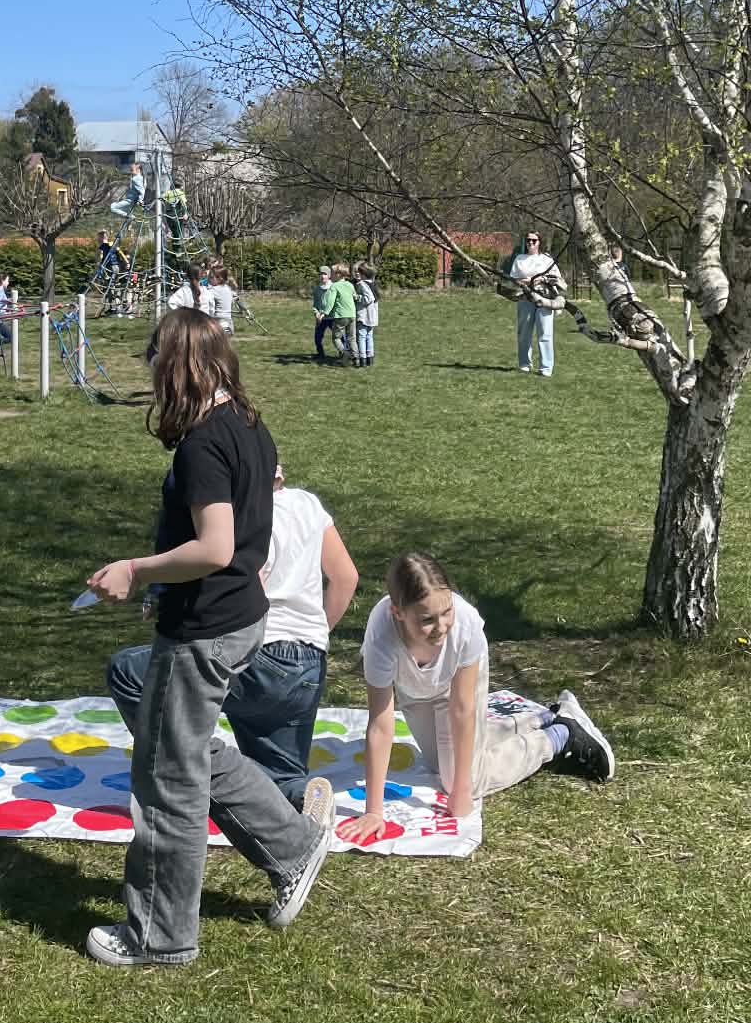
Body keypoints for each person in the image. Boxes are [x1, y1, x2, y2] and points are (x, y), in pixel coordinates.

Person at [81, 310, 338, 969]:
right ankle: (295, 845)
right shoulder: (249, 425)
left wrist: (138, 572)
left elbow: (218, 546)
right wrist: (168, 588)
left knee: (168, 778)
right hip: (231, 615)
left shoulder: (203, 443)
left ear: (180, 366)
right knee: (184, 752)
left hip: (208, 630)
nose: (150, 374)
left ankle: (160, 936)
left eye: (154, 362)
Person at [107, 457, 359, 807]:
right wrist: (316, 634)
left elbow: (250, 586)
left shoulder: (243, 518)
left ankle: (184, 771)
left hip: (256, 658)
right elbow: (347, 577)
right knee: (278, 780)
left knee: (127, 672)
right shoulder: (308, 505)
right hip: (307, 665)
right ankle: (305, 795)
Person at [339, 553, 614, 850]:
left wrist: (462, 788)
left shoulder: (466, 625)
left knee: (464, 778)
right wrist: (373, 811)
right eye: (427, 620)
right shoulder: (381, 636)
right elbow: (381, 725)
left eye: (446, 612)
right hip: (416, 693)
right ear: (398, 612)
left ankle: (561, 735)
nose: (442, 626)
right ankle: (542, 717)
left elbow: (462, 709)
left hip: (455, 694)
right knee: (437, 764)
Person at [510, 231, 565, 377]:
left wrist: (542, 280)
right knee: (524, 333)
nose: (531, 243)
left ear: (539, 242)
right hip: (525, 299)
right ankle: (524, 364)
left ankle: (546, 368)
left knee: (545, 333)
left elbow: (557, 278)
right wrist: (526, 282)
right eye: (528, 240)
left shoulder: (546, 259)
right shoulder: (519, 259)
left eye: (534, 240)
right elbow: (514, 279)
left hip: (544, 299)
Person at [328, 261, 357, 362]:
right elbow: (355, 297)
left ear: (338, 274)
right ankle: (356, 358)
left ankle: (344, 353)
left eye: (331, 273)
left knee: (336, 337)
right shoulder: (350, 285)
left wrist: (324, 312)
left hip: (341, 315)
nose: (330, 275)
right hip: (352, 315)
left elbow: (330, 302)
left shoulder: (334, 286)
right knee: (352, 338)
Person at [353, 260, 379, 366]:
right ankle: (370, 358)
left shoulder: (362, 284)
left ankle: (363, 359)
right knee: (369, 336)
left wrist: (356, 297)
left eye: (359, 272)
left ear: (363, 274)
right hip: (372, 315)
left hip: (364, 315)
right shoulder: (372, 283)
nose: (357, 274)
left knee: (362, 337)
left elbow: (369, 298)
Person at [202, 259, 237, 334]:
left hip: (219, 322)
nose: (208, 279)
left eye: (211, 277)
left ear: (219, 278)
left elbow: (203, 295)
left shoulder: (214, 290)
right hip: (228, 321)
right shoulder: (227, 288)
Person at [311, 265, 336, 360]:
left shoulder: (333, 287)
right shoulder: (317, 289)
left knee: (340, 337)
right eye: (321, 274)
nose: (322, 276)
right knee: (317, 337)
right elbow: (315, 304)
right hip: (320, 318)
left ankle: (344, 353)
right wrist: (316, 313)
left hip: (332, 317)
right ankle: (320, 354)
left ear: (329, 275)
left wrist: (327, 313)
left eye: (325, 274)